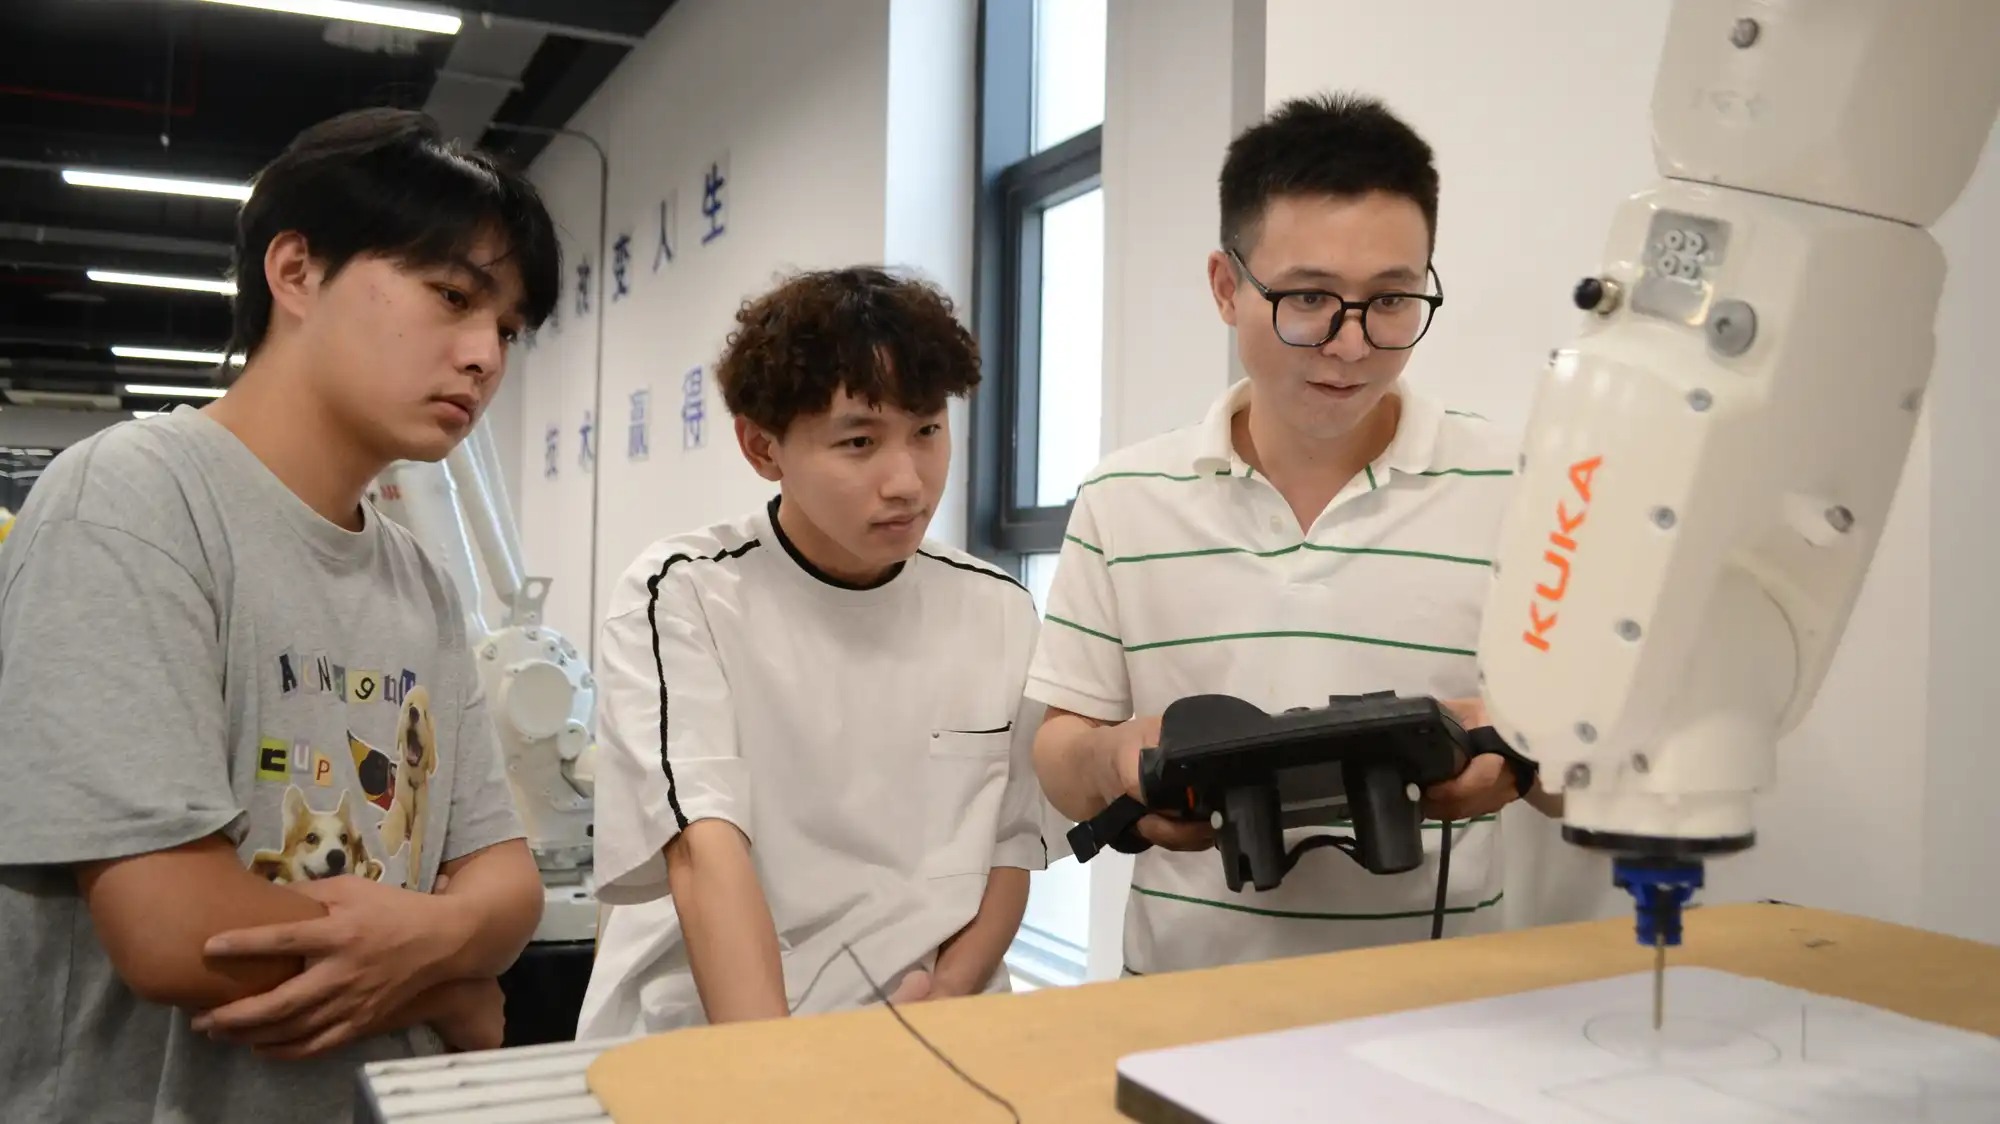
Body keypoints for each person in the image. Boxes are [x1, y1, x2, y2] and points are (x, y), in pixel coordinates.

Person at [0, 108, 559, 1123]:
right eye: (452, 295)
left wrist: (461, 940)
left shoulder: (420, 580)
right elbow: (175, 929)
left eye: (508, 327)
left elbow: (507, 883)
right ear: (295, 271)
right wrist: (450, 983)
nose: (484, 353)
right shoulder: (132, 499)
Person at [1027, 92, 1563, 978]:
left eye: (1392, 300)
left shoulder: (1523, 486)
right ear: (1225, 286)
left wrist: (1518, 748)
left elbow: (1593, 766)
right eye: (1309, 298)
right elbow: (1059, 754)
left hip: (1447, 1012)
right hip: (1182, 1012)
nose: (1350, 346)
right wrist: (1109, 756)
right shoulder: (1124, 498)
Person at [578, 266, 1049, 1036]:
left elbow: (1010, 845)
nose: (908, 482)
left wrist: (948, 997)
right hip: (719, 1034)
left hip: (929, 1030)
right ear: (763, 448)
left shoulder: (996, 609)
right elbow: (705, 854)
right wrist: (783, 1079)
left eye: (928, 430)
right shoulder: (685, 595)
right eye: (859, 442)